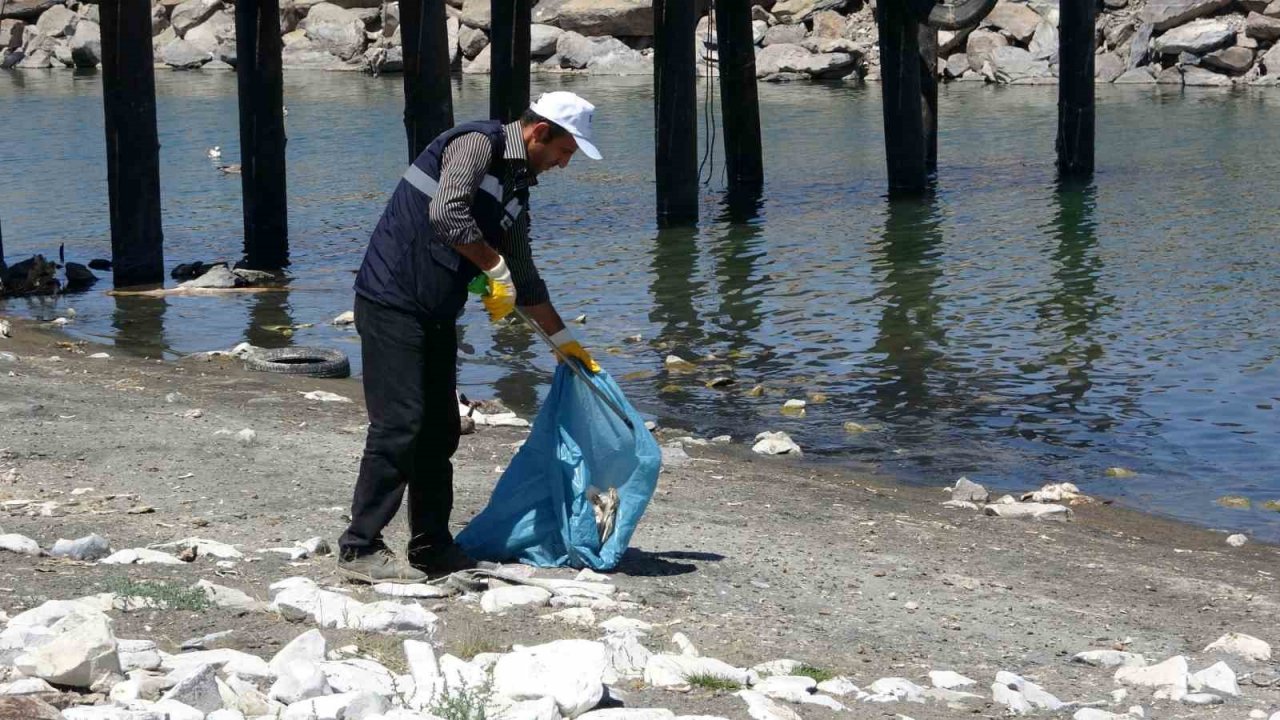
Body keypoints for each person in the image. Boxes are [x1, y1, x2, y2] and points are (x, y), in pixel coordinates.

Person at [337, 92, 605, 583]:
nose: (564, 164)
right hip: (391, 300)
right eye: (564, 151)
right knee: (399, 425)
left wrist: (566, 344)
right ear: (540, 132)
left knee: (440, 430)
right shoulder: (477, 144)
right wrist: (492, 265)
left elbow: (524, 275)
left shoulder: (516, 189)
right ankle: (360, 547)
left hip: (437, 311)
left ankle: (431, 547)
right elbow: (447, 212)